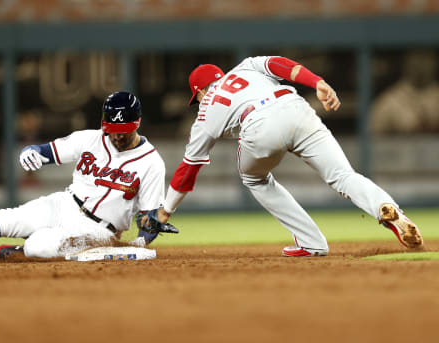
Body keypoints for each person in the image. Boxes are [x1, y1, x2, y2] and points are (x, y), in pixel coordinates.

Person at [156, 57, 424, 256]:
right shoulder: (247, 66)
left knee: (253, 178)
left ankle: (311, 242)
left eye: (197, 97)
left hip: (259, 124)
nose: (199, 101)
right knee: (343, 175)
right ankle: (386, 208)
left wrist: (166, 211)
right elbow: (283, 66)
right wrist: (316, 82)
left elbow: (188, 169)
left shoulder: (205, 112)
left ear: (201, 91)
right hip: (296, 107)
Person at [0, 91, 166, 258]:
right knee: (6, 219)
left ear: (137, 123)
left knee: (39, 247)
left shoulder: (152, 163)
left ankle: (24, 252)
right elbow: (45, 151)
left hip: (99, 230)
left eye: (124, 129)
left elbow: (150, 218)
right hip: (63, 204)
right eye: (113, 129)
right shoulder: (89, 139)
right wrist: (32, 152)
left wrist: (140, 242)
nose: (118, 135)